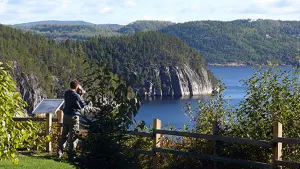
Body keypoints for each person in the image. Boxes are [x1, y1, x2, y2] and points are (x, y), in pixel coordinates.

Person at [58, 79, 86, 161]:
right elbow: (83, 104)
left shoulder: (66, 93)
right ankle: (71, 155)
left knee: (64, 135)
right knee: (73, 136)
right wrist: (81, 94)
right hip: (74, 117)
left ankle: (60, 152)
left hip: (66, 116)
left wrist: (78, 92)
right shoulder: (76, 95)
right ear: (77, 86)